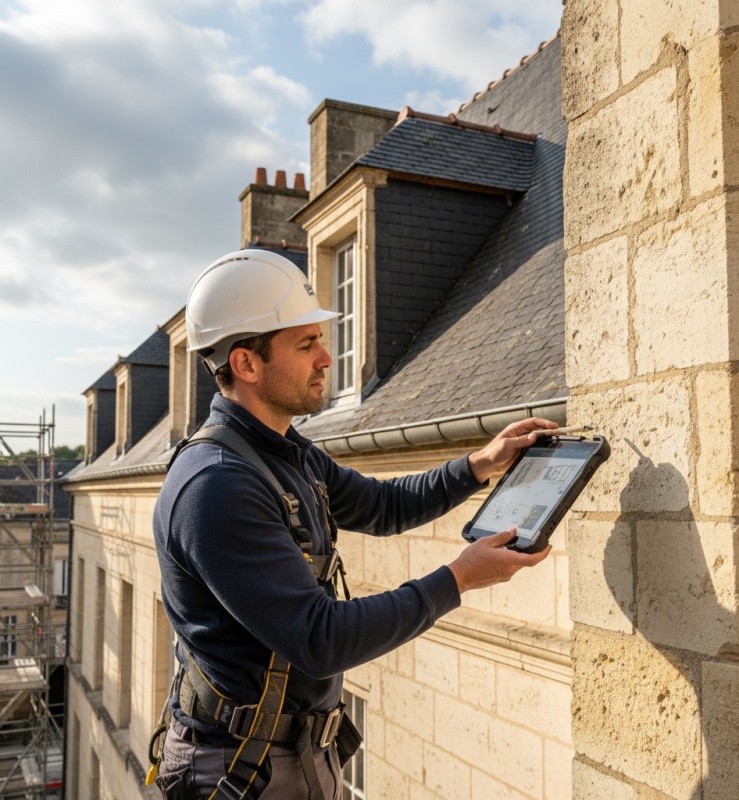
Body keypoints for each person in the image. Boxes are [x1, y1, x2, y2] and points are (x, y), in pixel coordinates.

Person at [151, 248, 557, 800]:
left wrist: (479, 465)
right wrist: (457, 579)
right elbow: (321, 639)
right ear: (246, 364)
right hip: (240, 769)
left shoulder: (284, 452)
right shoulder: (217, 486)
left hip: (297, 753)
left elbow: (381, 505)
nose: (326, 357)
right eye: (306, 343)